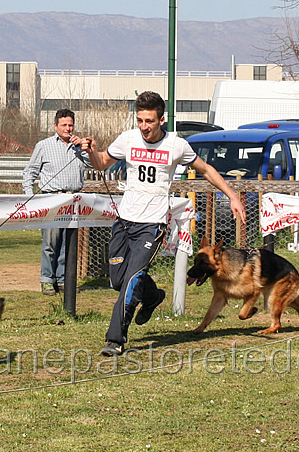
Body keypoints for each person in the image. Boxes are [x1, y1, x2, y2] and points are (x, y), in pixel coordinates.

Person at [81, 91, 247, 356]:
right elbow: (101, 162)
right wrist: (91, 150)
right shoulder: (128, 139)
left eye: (149, 121)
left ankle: (115, 339)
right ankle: (152, 296)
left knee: (131, 280)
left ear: (161, 119)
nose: (144, 127)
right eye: (140, 120)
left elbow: (206, 170)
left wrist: (232, 195)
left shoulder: (176, 145)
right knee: (117, 280)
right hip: (125, 221)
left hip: (152, 224)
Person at [22, 108, 91, 295]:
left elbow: (92, 164)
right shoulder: (44, 146)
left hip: (73, 199)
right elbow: (30, 172)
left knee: (68, 244)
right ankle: (46, 279)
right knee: (51, 242)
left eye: (71, 125)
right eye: (64, 125)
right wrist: (30, 198)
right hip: (51, 198)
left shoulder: (79, 147)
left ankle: (62, 280)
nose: (68, 129)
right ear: (55, 126)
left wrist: (84, 149)